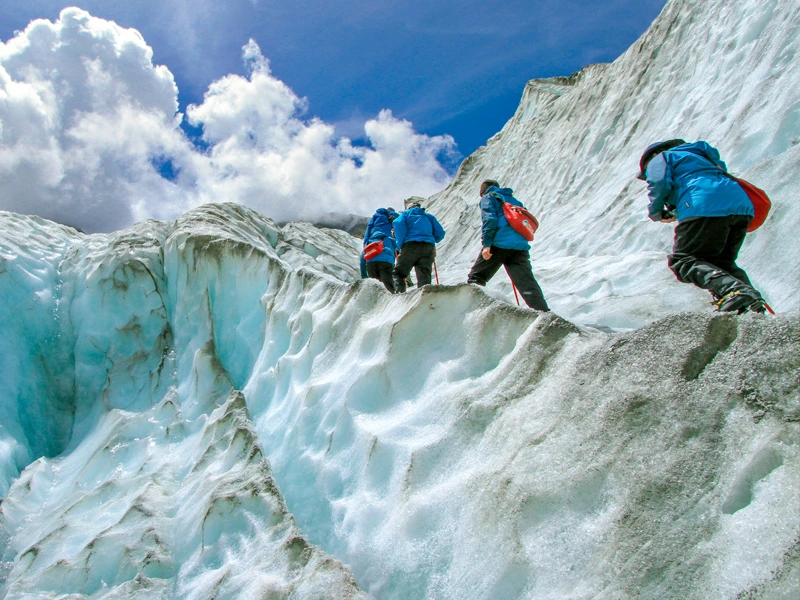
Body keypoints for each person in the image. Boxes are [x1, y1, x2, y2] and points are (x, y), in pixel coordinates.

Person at [638, 139, 766, 313]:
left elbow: (659, 183)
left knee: (683, 260)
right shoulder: (701, 156)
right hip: (740, 207)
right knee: (722, 262)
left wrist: (657, 212)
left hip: (704, 204)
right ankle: (751, 304)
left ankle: (734, 292)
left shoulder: (661, 157)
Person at [467, 179, 549, 311]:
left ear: (482, 192)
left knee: (477, 277)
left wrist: (487, 244)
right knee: (526, 283)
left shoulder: (488, 197)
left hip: (499, 244)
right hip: (520, 247)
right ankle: (544, 312)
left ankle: (472, 310)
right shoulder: (514, 200)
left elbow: (489, 219)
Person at [392, 199, 445, 293]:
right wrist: (433, 240)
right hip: (428, 247)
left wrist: (399, 244)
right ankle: (425, 299)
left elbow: (398, 223)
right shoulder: (428, 216)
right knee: (424, 278)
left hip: (410, 246)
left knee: (398, 274)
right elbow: (440, 232)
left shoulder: (405, 214)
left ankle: (399, 297)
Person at [363, 207, 399, 292]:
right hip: (386, 260)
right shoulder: (396, 218)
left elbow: (367, 233)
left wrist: (365, 246)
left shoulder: (375, 217)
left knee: (375, 288)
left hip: (371, 258)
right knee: (388, 287)